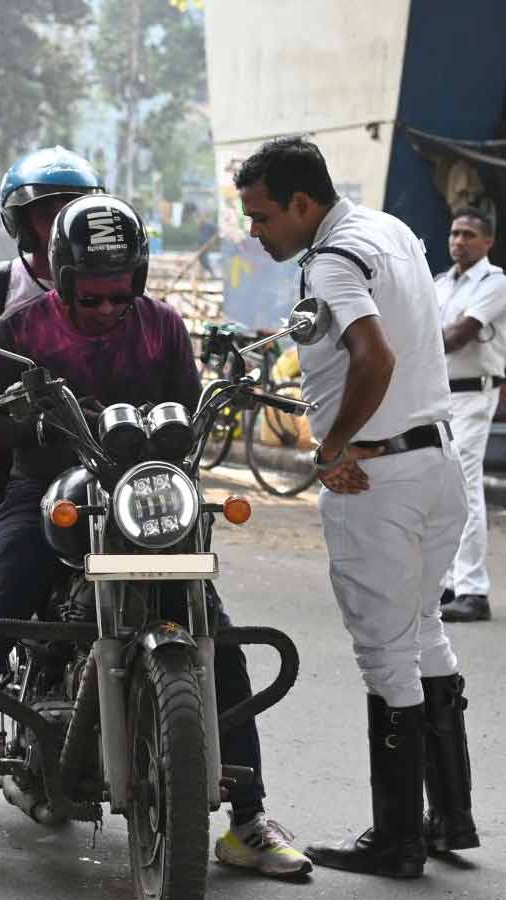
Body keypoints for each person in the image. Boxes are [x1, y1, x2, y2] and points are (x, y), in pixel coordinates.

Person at [0, 194, 311, 879]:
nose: (109, 309)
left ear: (137, 281)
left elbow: (190, 415)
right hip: (46, 494)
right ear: (64, 278)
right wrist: (27, 411)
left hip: (143, 497)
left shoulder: (164, 327)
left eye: (121, 295)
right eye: (93, 297)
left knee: (217, 638)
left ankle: (250, 817)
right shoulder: (23, 326)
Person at [235, 136, 478, 877]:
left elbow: (376, 355)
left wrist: (333, 445)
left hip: (378, 478)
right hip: (437, 464)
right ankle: (449, 819)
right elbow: (410, 337)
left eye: (262, 215)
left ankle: (397, 838)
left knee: (385, 655)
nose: (254, 230)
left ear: (302, 204)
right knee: (425, 629)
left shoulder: (332, 260)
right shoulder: (393, 232)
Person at [0, 146, 105, 638]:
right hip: (12, 454)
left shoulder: (119, 286)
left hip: (101, 455)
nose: (60, 222)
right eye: (47, 211)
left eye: (73, 209)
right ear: (21, 221)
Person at [435, 207, 506, 623]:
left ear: (488, 242)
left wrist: (416, 342)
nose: (458, 240)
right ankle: (448, 582)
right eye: (454, 233)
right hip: (440, 396)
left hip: (473, 396)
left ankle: (473, 590)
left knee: (465, 487)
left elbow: (459, 336)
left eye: (468, 234)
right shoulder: (441, 283)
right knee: (442, 490)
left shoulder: (495, 282)